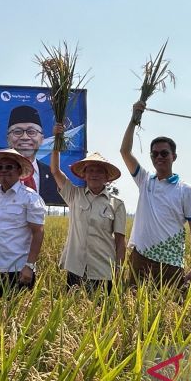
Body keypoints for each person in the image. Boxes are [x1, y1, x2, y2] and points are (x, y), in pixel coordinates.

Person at [120, 101, 191, 286]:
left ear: (174, 157)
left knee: (169, 310)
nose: (159, 157)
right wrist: (135, 118)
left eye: (164, 153)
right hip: (140, 258)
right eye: (154, 154)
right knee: (135, 309)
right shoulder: (144, 180)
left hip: (170, 262)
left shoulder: (186, 190)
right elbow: (125, 151)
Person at [52, 123, 127, 292]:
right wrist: (57, 141)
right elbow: (56, 171)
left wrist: (119, 269)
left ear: (107, 177)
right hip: (75, 268)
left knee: (101, 315)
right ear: (84, 175)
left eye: (99, 171)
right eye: (90, 170)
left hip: (103, 270)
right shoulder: (74, 195)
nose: (94, 174)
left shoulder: (117, 204)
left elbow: (120, 242)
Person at [0, 148, 47, 295]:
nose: (4, 170)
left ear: (19, 171)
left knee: (18, 316)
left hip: (18, 270)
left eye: (9, 167)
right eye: (0, 167)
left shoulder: (30, 197)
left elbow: (38, 232)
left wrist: (29, 266)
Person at [0, 105, 62, 204]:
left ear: (42, 139)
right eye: (17, 132)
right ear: (8, 139)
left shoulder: (53, 177)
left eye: (31, 132)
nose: (25, 137)